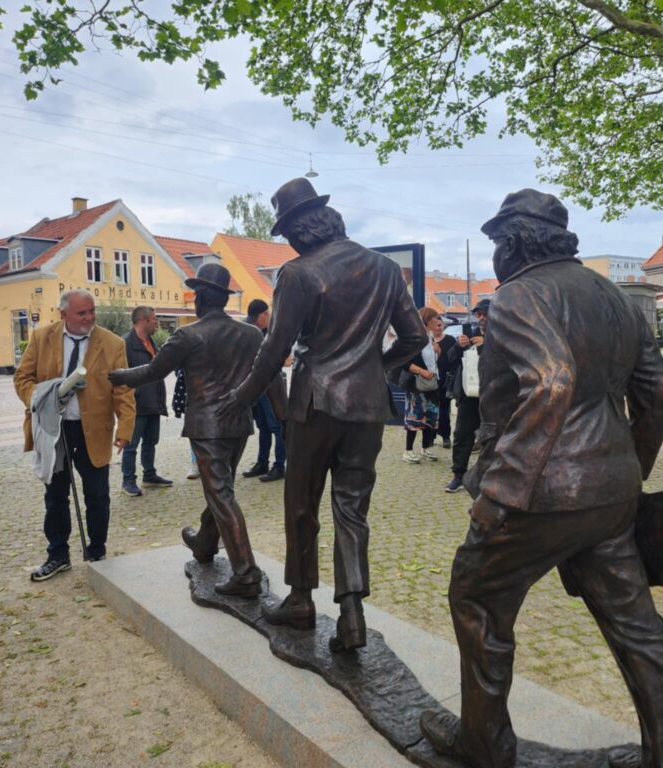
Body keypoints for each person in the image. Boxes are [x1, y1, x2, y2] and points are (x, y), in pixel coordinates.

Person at [419, 189, 663, 768]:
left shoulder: (517, 297)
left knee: (476, 598)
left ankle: (483, 745)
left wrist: (500, 491)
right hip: (608, 495)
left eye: (498, 242)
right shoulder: (616, 298)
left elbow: (550, 382)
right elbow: (660, 392)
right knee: (637, 627)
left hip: (539, 497)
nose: (497, 254)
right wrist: (628, 475)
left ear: (513, 243)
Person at [219, 177, 426, 653]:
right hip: (368, 407)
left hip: (315, 402)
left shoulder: (298, 274)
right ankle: (351, 614)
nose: (288, 242)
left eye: (288, 231)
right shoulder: (384, 269)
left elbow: (274, 349)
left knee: (301, 505)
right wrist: (375, 367)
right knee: (352, 509)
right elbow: (414, 338)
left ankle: (300, 599)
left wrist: (243, 395)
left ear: (301, 228)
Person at [110, 264, 280, 597]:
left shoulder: (189, 335)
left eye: (195, 295)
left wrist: (119, 376)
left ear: (202, 297)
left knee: (221, 494)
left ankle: (245, 573)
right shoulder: (251, 334)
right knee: (221, 489)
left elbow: (154, 371)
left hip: (207, 426)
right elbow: (267, 374)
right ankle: (204, 543)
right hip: (239, 424)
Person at [14, 290, 134, 581]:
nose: (89, 317)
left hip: (93, 431)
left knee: (98, 496)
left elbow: (123, 389)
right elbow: (22, 378)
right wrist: (43, 395)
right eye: (82, 313)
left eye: (92, 311)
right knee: (55, 496)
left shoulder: (112, 343)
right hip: (53, 430)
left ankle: (97, 551)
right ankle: (57, 554)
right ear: (63, 314)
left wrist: (126, 428)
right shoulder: (42, 338)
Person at [120, 306, 172, 497]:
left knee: (151, 441)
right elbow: (122, 376)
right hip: (136, 405)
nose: (156, 322)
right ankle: (128, 481)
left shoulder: (151, 342)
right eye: (154, 319)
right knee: (130, 445)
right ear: (143, 320)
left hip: (153, 402)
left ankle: (149, 475)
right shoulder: (126, 344)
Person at [444, 299, 488, 493]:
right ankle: (458, 475)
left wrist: (486, 345)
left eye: (485, 314)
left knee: (492, 436)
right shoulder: (471, 334)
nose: (481, 318)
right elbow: (450, 360)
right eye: (478, 315)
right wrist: (459, 346)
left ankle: (488, 476)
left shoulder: (503, 335)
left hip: (492, 395)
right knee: (462, 435)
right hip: (468, 394)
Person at [241, 299, 286, 482]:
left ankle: (279, 466)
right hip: (256, 386)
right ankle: (262, 463)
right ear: (263, 315)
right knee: (265, 427)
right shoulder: (245, 331)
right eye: (268, 314)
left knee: (276, 427)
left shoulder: (268, 331)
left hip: (269, 387)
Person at [401, 306, 442, 463]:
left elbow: (432, 362)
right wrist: (421, 371)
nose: (438, 321)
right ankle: (408, 451)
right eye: (435, 318)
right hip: (416, 385)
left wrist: (438, 351)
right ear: (427, 321)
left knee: (430, 418)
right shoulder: (415, 338)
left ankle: (426, 448)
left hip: (431, 384)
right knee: (414, 418)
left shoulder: (430, 337)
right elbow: (404, 362)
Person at [433, 314, 456, 449]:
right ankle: (430, 436)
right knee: (430, 409)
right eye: (435, 325)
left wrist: (440, 353)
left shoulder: (450, 340)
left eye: (440, 325)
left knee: (444, 409)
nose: (438, 328)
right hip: (429, 379)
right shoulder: (426, 341)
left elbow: (453, 359)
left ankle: (445, 436)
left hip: (445, 379)